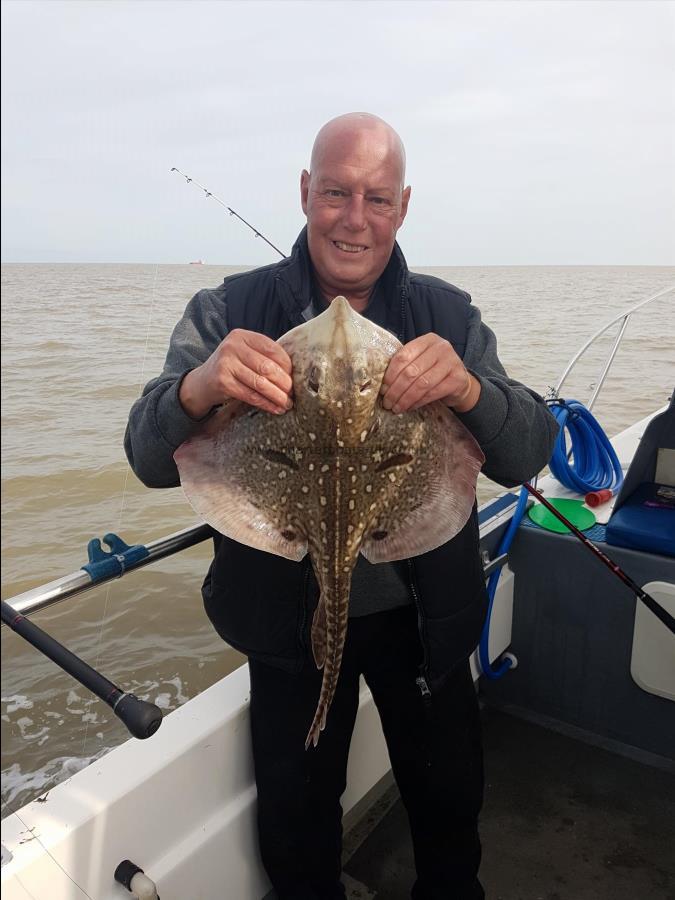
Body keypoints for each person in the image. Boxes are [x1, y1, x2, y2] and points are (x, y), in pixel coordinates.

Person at [125, 112, 558, 900]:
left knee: (448, 805)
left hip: (424, 622)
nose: (354, 218)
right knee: (295, 824)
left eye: (377, 198)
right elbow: (146, 458)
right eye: (334, 192)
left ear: (402, 207)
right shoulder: (226, 312)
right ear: (304, 192)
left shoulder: (447, 315)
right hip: (287, 628)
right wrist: (201, 387)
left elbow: (527, 453)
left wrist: (466, 389)